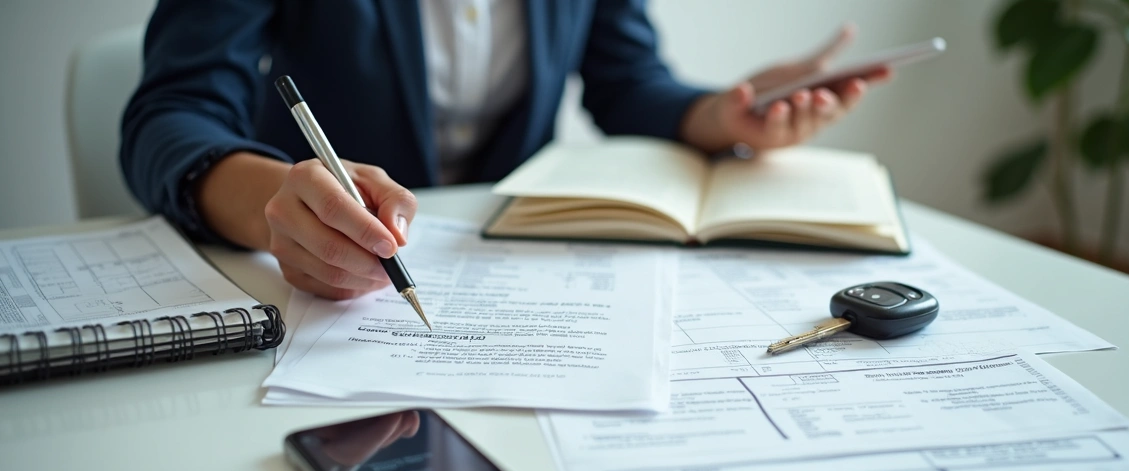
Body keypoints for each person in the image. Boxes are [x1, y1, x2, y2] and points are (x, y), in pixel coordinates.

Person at [121, 1, 887, 300]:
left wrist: (727, 115)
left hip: (509, 268)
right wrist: (272, 203)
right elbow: (170, 116)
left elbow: (627, 81)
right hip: (305, 289)